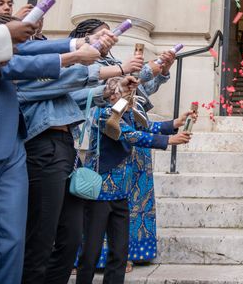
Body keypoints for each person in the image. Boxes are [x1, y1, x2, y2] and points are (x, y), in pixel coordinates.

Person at [0, 14, 104, 284]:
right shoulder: (13, 54)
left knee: (17, 240)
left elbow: (27, 50)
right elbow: (29, 69)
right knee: (38, 241)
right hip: (40, 146)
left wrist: (79, 45)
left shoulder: (23, 45)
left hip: (21, 146)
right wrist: (76, 56)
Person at [68, 19, 176, 273]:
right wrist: (140, 70)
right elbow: (102, 93)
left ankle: (125, 252)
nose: (111, 38)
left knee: (130, 201)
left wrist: (160, 71)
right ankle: (93, 257)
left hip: (133, 133)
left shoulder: (112, 61)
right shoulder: (82, 62)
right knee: (101, 201)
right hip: (106, 136)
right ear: (85, 37)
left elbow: (140, 92)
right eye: (103, 34)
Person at [75, 76, 193, 284]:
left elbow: (145, 127)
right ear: (111, 95)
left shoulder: (129, 114)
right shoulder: (103, 115)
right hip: (100, 193)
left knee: (120, 253)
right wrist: (168, 141)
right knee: (90, 252)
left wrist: (175, 123)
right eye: (124, 93)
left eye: (130, 93)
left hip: (122, 193)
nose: (130, 97)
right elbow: (130, 135)